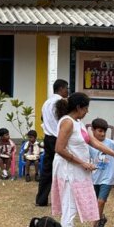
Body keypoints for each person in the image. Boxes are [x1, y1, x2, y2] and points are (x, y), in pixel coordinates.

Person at [51, 92, 114, 227]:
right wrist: (82, 163)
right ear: (78, 107)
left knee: (72, 209)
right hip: (69, 171)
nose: (87, 112)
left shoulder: (79, 123)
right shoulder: (67, 122)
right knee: (69, 210)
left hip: (78, 172)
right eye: (86, 108)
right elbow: (59, 149)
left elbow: (94, 142)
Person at [86, 118, 114, 227]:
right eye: (99, 131)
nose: (102, 134)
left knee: (100, 202)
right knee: (95, 202)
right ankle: (101, 218)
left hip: (107, 177)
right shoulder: (89, 144)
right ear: (93, 130)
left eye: (104, 131)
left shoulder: (110, 143)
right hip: (94, 177)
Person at [36, 79, 69, 207]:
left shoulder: (46, 103)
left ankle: (41, 199)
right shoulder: (60, 103)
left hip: (48, 137)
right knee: (62, 168)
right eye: (66, 88)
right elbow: (64, 120)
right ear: (61, 89)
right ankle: (61, 200)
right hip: (58, 138)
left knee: (47, 169)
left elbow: (42, 118)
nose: (67, 91)